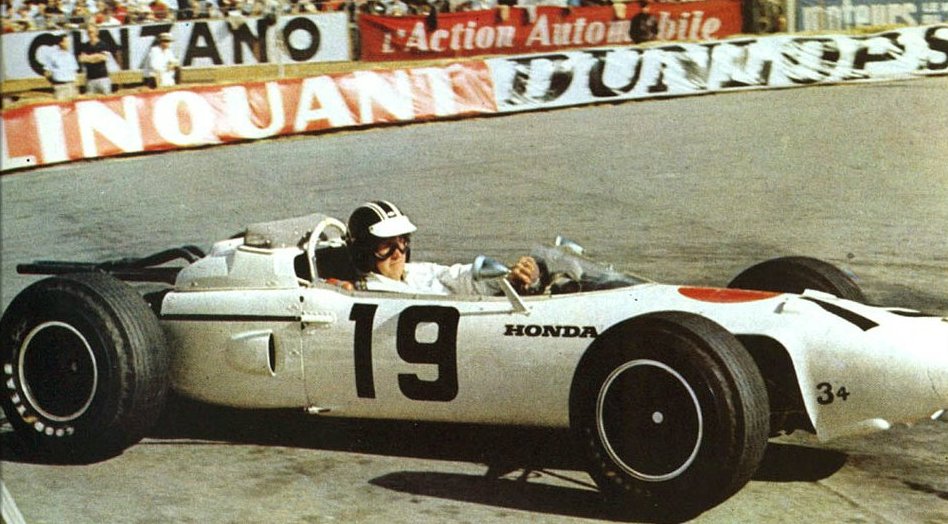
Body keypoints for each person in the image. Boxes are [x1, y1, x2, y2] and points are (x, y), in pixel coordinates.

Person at [345, 200, 540, 295]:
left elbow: (458, 276)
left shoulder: (417, 272)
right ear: (364, 252)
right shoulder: (367, 291)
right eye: (385, 246)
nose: (397, 253)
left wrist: (508, 277)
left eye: (401, 242)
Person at [43, 34, 80, 100]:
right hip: (60, 87)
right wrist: (54, 83)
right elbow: (47, 73)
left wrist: (76, 86)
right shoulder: (52, 56)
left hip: (71, 86)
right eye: (66, 42)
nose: (68, 44)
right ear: (61, 43)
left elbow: (75, 71)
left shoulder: (70, 56)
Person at [79, 25, 112, 95]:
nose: (90, 34)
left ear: (97, 32)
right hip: (90, 79)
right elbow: (81, 59)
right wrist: (96, 57)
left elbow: (103, 57)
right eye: (88, 32)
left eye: (91, 32)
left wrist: (88, 58)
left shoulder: (103, 44)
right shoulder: (85, 46)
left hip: (103, 78)